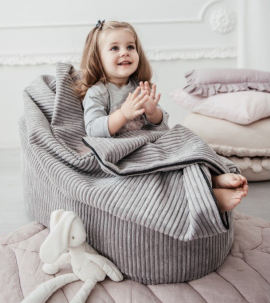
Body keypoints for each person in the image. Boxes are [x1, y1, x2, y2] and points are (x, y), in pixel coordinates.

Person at [74, 20, 248, 212]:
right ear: (98, 58)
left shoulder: (139, 86)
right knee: (159, 173)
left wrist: (152, 112)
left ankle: (210, 176)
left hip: (149, 143)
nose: (125, 52)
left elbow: (161, 126)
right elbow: (93, 129)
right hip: (125, 151)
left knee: (187, 140)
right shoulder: (98, 92)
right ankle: (208, 197)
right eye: (114, 48)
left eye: (130, 47)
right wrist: (123, 114)